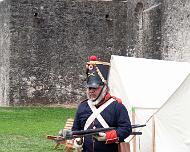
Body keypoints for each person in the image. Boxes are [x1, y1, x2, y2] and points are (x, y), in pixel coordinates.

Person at [72, 55, 132, 152]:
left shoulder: (117, 106)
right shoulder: (82, 106)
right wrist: (77, 139)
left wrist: (107, 136)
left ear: (104, 88)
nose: (91, 91)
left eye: (95, 88)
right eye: (89, 88)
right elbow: (76, 130)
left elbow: (126, 129)